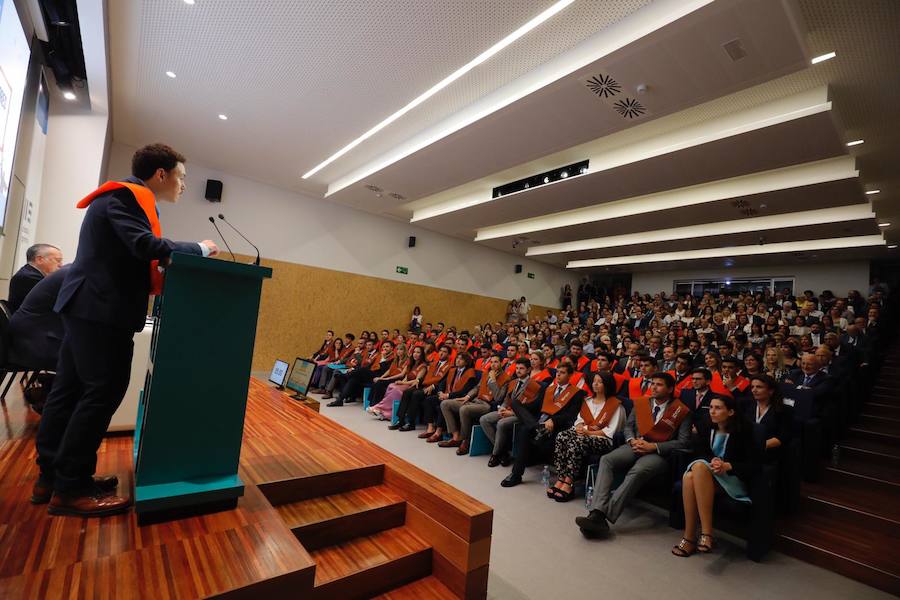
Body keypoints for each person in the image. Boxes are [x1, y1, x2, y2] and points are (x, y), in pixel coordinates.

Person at [34, 143, 219, 517]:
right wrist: (198, 248)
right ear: (161, 174)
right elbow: (144, 245)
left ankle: (54, 476)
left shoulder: (123, 198)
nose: (183, 186)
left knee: (69, 392)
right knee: (100, 393)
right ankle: (70, 487)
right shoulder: (126, 196)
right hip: (101, 310)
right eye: (181, 177)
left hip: (89, 308)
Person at [576, 372, 691, 537]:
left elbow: (684, 442)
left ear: (670, 389)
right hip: (635, 445)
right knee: (607, 460)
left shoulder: (680, 411)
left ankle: (601, 516)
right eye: (652, 383)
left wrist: (654, 446)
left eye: (659, 384)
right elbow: (628, 428)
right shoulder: (642, 403)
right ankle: (597, 510)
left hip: (658, 454)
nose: (654, 387)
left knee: (638, 470)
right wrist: (631, 440)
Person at [672, 395, 759, 557]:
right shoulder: (706, 427)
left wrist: (727, 466)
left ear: (731, 412)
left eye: (718, 408)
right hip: (708, 476)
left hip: (732, 479)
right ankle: (693, 536)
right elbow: (701, 452)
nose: (712, 411)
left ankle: (702, 534)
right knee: (689, 477)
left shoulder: (744, 431)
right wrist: (713, 461)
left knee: (695, 470)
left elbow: (754, 465)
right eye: (711, 407)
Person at [500, 363, 584, 488]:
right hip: (539, 424)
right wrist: (518, 408)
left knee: (524, 430)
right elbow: (536, 406)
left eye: (562, 372)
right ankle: (535, 427)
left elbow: (570, 415)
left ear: (570, 375)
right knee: (516, 403)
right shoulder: (549, 389)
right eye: (557, 372)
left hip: (555, 426)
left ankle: (516, 474)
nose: (558, 374)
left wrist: (553, 421)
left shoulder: (577, 393)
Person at [547, 371, 624, 502]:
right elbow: (580, 420)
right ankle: (561, 477)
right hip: (584, 433)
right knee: (561, 436)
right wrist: (579, 427)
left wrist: (589, 433)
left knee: (576, 442)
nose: (596, 384)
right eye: (594, 381)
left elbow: (611, 432)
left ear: (607, 385)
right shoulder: (587, 401)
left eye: (600, 382)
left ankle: (569, 483)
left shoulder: (616, 405)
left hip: (602, 440)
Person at [440, 354, 508, 455]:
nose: (493, 364)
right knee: (445, 403)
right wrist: (467, 396)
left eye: (496, 362)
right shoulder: (486, 373)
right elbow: (477, 388)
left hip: (486, 405)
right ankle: (456, 437)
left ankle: (465, 441)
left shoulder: (506, 378)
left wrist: (493, 381)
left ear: (501, 363)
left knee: (464, 410)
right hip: (475, 401)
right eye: (492, 362)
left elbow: (498, 397)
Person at [479, 358, 541, 467]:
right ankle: (503, 452)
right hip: (507, 410)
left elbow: (528, 409)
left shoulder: (533, 385)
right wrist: (502, 408)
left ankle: (495, 454)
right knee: (484, 419)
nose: (518, 371)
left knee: (501, 423)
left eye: (521, 368)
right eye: (517, 368)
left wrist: (511, 413)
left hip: (520, 415)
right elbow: (507, 399)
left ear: (529, 370)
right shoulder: (513, 382)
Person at [8, 265, 70, 371]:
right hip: (33, 341)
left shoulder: (69, 272)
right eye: (57, 259)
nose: (60, 264)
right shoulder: (74, 275)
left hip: (32, 333)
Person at [743, 374, 793, 464]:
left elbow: (782, 437)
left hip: (770, 451)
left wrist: (757, 447)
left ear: (771, 391)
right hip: (747, 449)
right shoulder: (746, 406)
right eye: (752, 387)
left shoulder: (783, 410)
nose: (754, 390)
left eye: (759, 387)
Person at [7, 243, 63, 313]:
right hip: (29, 322)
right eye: (58, 260)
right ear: (39, 259)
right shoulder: (28, 277)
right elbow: (59, 300)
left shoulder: (29, 272)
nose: (61, 265)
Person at [378, 346, 427, 423]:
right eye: (414, 352)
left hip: (413, 386)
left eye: (418, 352)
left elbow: (417, 381)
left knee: (396, 390)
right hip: (406, 383)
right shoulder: (412, 364)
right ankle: (385, 411)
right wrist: (400, 382)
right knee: (391, 385)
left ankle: (385, 411)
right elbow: (406, 376)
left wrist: (403, 383)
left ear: (422, 354)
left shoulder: (423, 366)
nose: (415, 354)